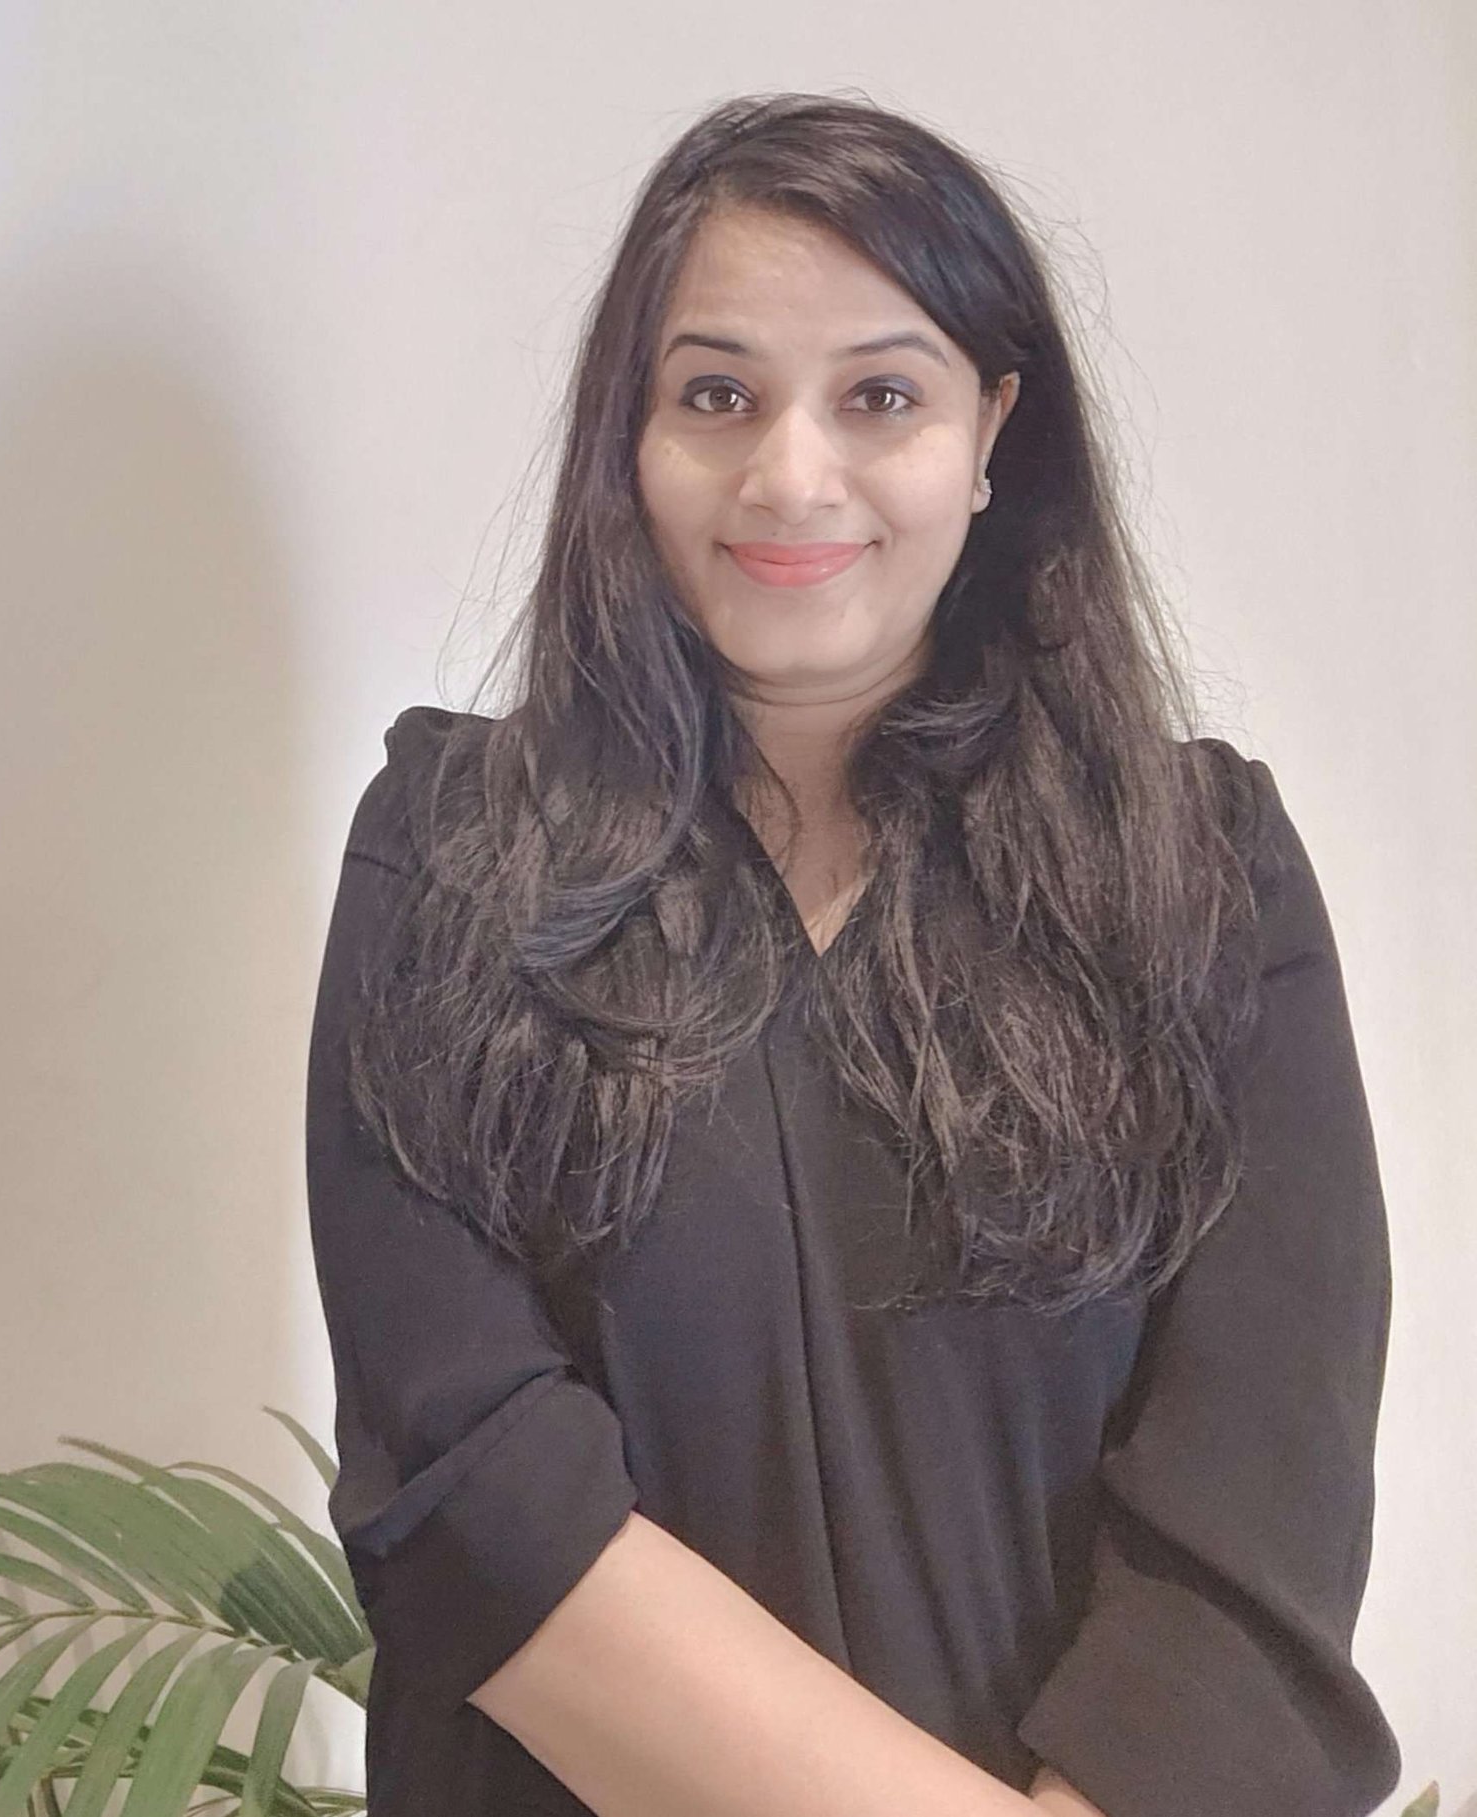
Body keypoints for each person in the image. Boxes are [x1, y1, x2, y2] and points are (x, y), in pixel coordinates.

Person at [304, 91, 1402, 1817]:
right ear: (630, 433)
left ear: (992, 433)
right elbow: (472, 1485)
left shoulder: (1204, 878)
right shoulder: (452, 856)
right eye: (716, 394)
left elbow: (1258, 1520)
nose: (789, 474)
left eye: (880, 395)